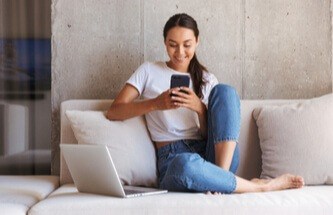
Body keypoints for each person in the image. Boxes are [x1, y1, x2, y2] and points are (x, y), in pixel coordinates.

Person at [107, 13, 304, 194]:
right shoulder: (149, 71)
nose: (180, 52)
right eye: (173, 44)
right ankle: (256, 186)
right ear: (165, 43)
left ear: (197, 42)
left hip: (217, 158)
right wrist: (156, 104)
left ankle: (219, 179)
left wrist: (200, 108)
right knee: (185, 164)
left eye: (187, 44)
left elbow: (212, 134)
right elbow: (114, 112)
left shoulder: (208, 79)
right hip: (174, 161)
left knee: (226, 91)